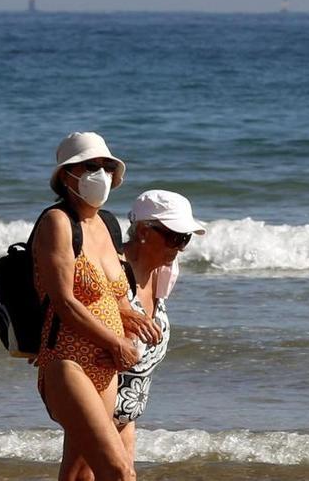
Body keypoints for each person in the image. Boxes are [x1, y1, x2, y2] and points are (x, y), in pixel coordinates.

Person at [32, 132, 139, 481]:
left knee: (81, 475)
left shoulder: (108, 223)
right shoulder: (57, 222)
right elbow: (65, 302)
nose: (101, 175)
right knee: (120, 471)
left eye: (107, 167)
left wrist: (129, 317)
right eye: (90, 167)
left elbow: (114, 294)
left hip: (105, 367)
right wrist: (115, 341)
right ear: (67, 175)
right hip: (66, 362)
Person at [114, 190, 205, 468]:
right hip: (96, 405)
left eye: (185, 238)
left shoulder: (164, 273)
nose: (179, 247)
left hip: (127, 414)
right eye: (173, 236)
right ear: (142, 230)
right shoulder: (113, 270)